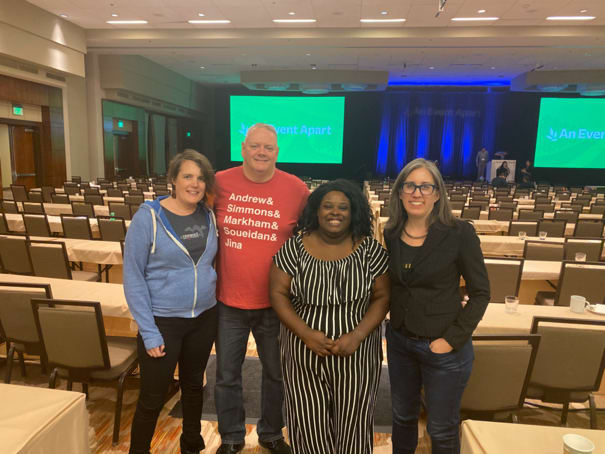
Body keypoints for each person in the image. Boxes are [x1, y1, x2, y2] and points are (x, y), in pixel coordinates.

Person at [270, 179, 390, 454]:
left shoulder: (370, 250)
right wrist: (306, 334)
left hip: (357, 353)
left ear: (354, 212)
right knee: (307, 419)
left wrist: (357, 335)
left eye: (343, 207)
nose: (335, 212)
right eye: (328, 206)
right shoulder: (294, 248)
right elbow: (278, 294)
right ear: (316, 211)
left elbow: (383, 296)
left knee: (355, 421)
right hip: (303, 352)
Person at [213, 123, 309, 454]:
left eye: (268, 148)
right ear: (243, 148)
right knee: (226, 375)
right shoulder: (220, 183)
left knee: (277, 375)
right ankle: (231, 437)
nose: (261, 153)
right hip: (227, 301)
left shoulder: (296, 189)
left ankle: (271, 433)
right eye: (255, 146)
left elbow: (313, 236)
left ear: (277, 152)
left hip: (277, 303)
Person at [383, 158, 490, 454]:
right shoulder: (391, 233)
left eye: (425, 186)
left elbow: (481, 293)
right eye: (410, 186)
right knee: (402, 418)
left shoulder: (459, 233)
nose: (417, 193)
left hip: (444, 349)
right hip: (400, 342)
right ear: (400, 192)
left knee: (441, 429)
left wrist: (451, 340)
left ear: (437, 194)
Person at [124, 149, 218, 454]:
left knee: (193, 387)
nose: (195, 184)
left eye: (201, 178)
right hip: (162, 323)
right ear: (173, 180)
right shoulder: (148, 217)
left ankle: (191, 443)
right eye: (187, 176)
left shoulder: (208, 215)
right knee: (152, 397)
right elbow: (133, 277)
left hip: (203, 319)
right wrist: (148, 331)